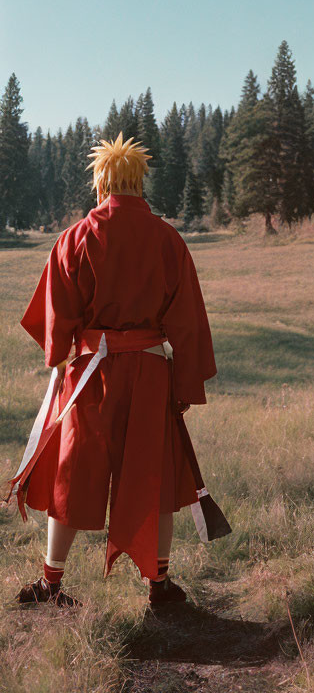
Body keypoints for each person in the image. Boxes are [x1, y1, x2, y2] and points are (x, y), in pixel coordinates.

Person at [6, 132, 226, 607]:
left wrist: (61, 357)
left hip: (89, 378)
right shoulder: (168, 240)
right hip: (149, 375)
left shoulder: (76, 238)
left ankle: (52, 582)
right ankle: (159, 588)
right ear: (138, 182)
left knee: (71, 472)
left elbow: (55, 315)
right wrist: (183, 385)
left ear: (101, 181)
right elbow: (186, 319)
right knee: (153, 477)